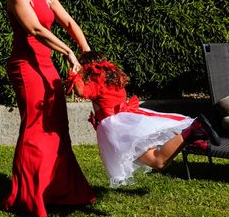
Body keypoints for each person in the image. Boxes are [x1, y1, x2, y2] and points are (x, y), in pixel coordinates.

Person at [3, 0, 96, 217]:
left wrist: (88, 53)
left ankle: (59, 190)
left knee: (57, 127)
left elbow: (69, 23)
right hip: (25, 66)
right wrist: (68, 52)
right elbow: (34, 29)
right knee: (34, 126)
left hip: (46, 66)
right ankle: (28, 197)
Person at [67, 51, 221, 188]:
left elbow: (81, 92)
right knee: (157, 154)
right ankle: (194, 139)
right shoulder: (111, 77)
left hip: (121, 128)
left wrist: (74, 74)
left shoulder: (97, 82)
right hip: (128, 119)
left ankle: (193, 132)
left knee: (157, 161)